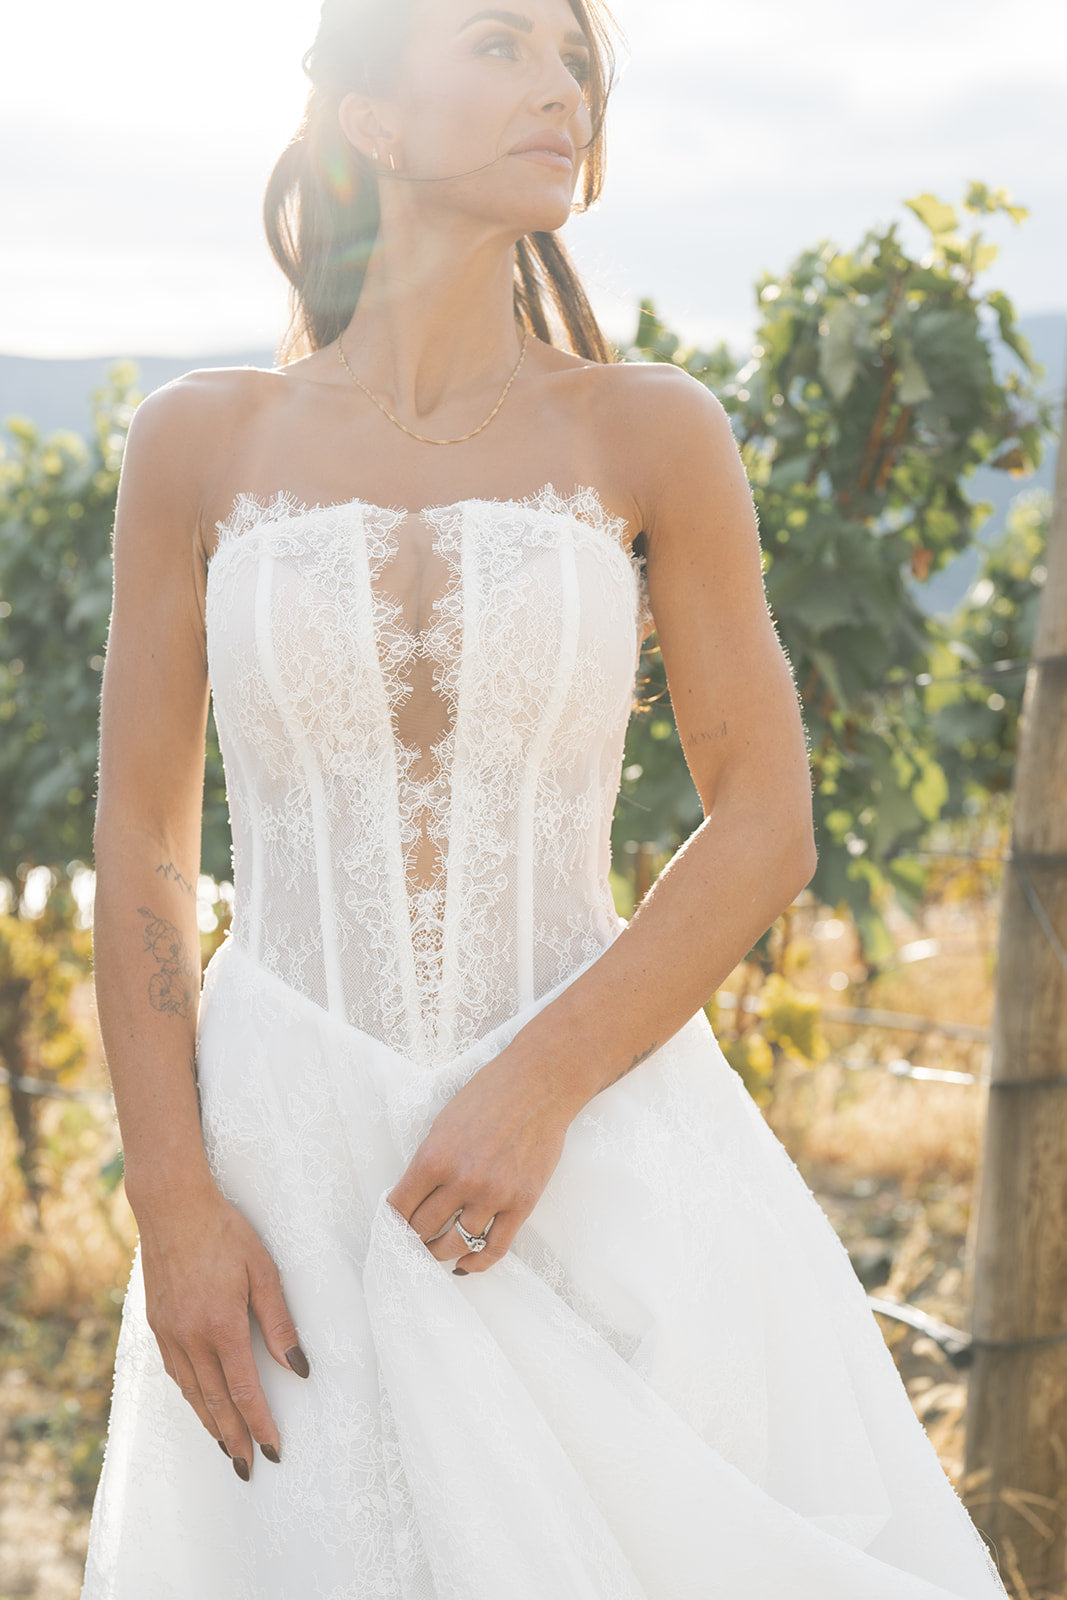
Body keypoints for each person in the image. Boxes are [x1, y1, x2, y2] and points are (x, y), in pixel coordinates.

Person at [80, 1, 1010, 1595]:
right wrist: (173, 1195)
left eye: (574, 59)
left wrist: (536, 1090)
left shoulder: (649, 429)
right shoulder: (197, 443)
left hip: (594, 1154)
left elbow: (766, 818)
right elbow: (143, 848)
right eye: (501, 45)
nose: (561, 85)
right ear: (370, 121)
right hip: (283, 1161)